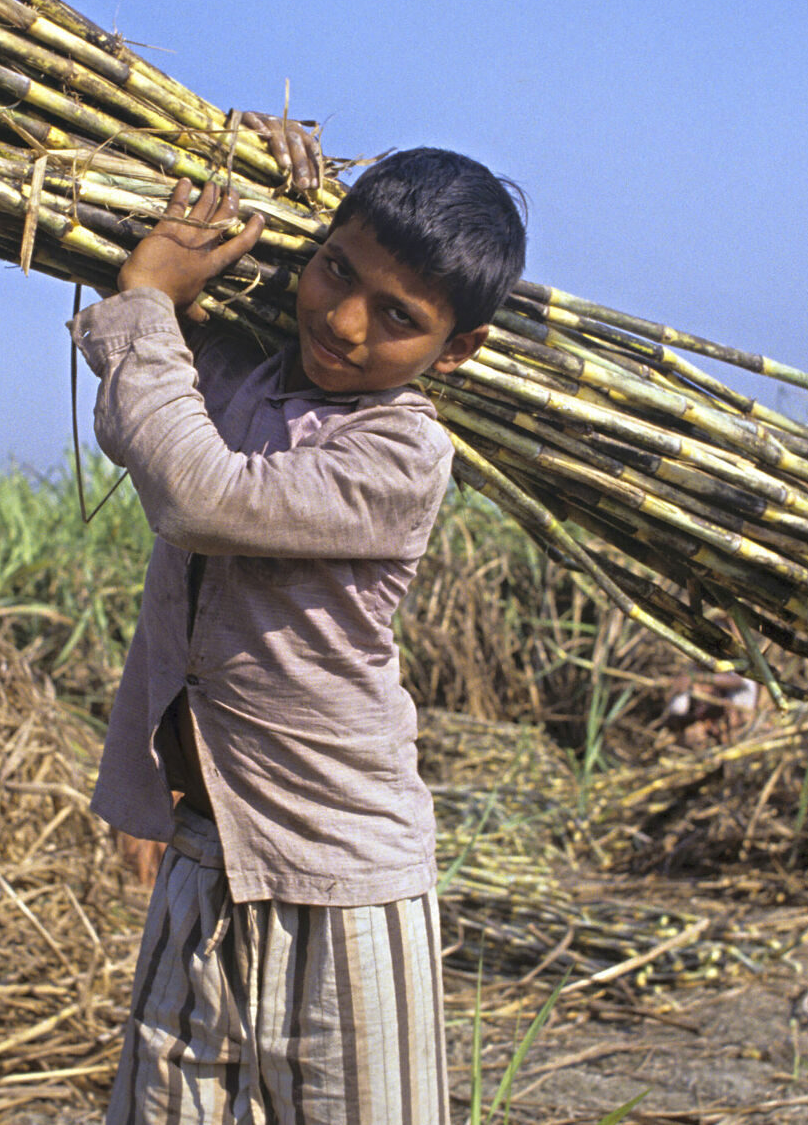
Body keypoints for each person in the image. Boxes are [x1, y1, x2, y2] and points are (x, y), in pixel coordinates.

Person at [73, 142, 525, 1124]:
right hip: (204, 849)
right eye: (335, 270)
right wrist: (230, 155)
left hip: (337, 873)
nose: (344, 319)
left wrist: (149, 298)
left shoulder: (399, 453)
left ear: (455, 349)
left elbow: (196, 492)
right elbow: (140, 403)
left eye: (399, 317)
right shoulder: (240, 371)